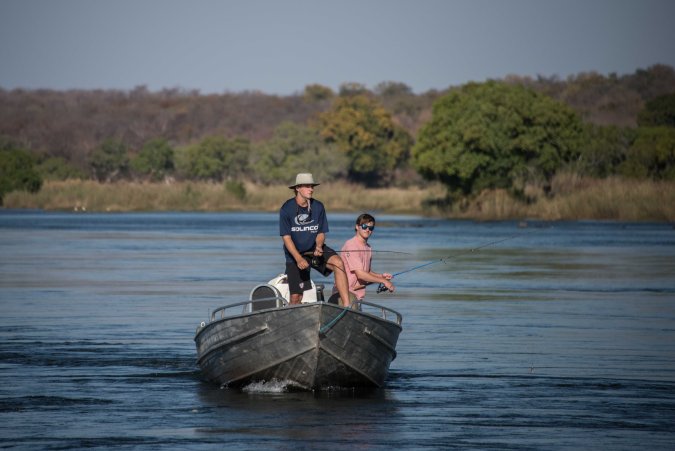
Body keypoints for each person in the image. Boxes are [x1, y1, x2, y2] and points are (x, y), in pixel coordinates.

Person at [279, 173, 351, 307]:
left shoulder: (318, 206)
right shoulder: (286, 209)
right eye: (307, 186)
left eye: (312, 186)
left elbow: (321, 232)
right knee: (296, 297)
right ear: (298, 188)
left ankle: (347, 306)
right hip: (295, 255)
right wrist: (298, 258)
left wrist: (319, 246)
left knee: (338, 263)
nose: (311, 189)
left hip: (314, 249)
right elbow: (286, 238)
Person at [338, 213, 395, 301]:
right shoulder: (351, 246)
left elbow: (366, 272)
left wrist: (381, 276)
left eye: (371, 228)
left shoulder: (368, 247)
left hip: (358, 296)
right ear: (357, 227)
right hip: (345, 294)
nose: (367, 229)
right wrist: (383, 281)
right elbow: (361, 275)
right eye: (364, 226)